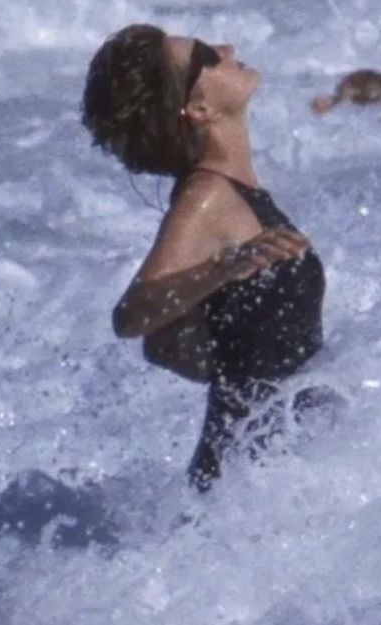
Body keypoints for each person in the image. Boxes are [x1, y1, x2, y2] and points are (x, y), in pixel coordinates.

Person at [81, 24, 326, 491]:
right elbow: (132, 314)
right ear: (198, 108)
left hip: (264, 470)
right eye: (206, 57)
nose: (227, 48)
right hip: (247, 480)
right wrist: (224, 268)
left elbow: (165, 345)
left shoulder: (234, 191)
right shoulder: (207, 197)